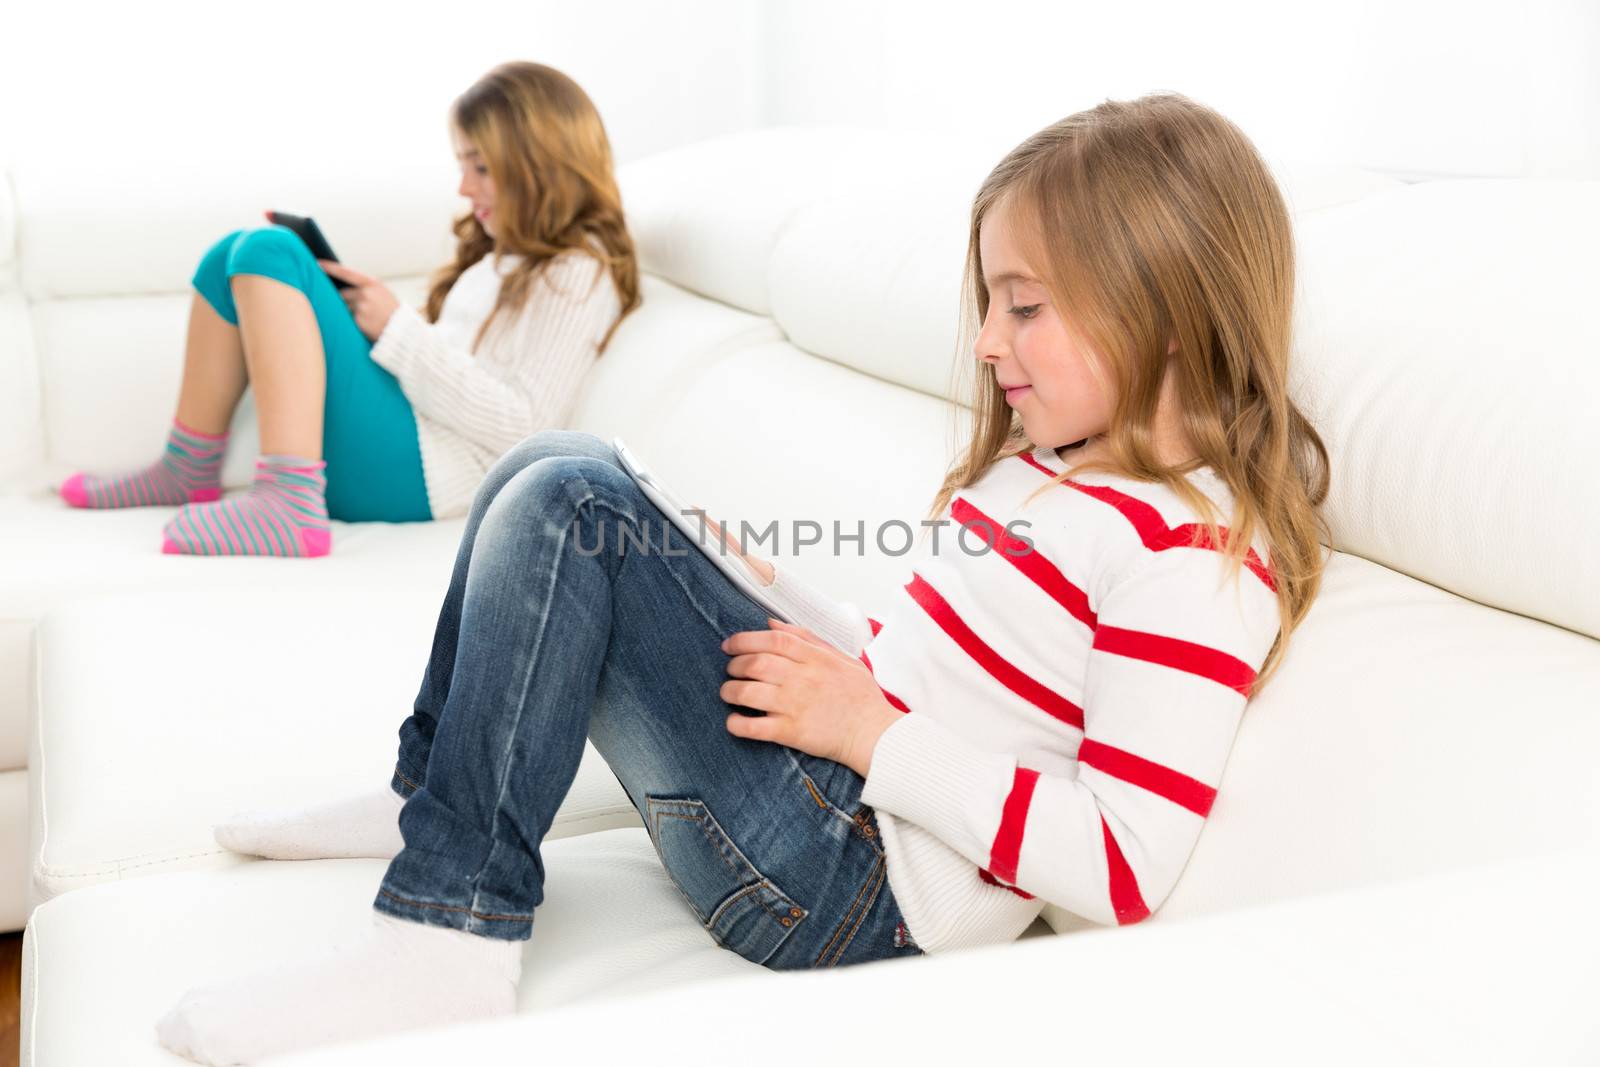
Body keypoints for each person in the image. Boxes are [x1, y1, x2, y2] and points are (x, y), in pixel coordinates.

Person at [154, 92, 1331, 1064]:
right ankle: (433, 797)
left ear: (1169, 317)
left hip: (858, 892)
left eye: (1021, 309)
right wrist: (764, 593)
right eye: (988, 306)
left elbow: (1121, 860)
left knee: (573, 508)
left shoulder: (1192, 565)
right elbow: (926, 669)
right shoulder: (1049, 475)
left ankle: (447, 938)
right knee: (561, 463)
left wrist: (872, 734)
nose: (983, 342)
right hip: (828, 800)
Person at [57, 60, 640, 557]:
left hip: (426, 477)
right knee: (227, 259)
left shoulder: (577, 271)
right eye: (462, 165)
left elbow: (527, 427)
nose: (464, 187)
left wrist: (399, 332)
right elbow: (455, 366)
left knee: (271, 251)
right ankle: (188, 466)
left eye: (482, 167)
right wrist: (383, 326)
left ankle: (288, 502)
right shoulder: (500, 260)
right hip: (405, 441)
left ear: (544, 163)